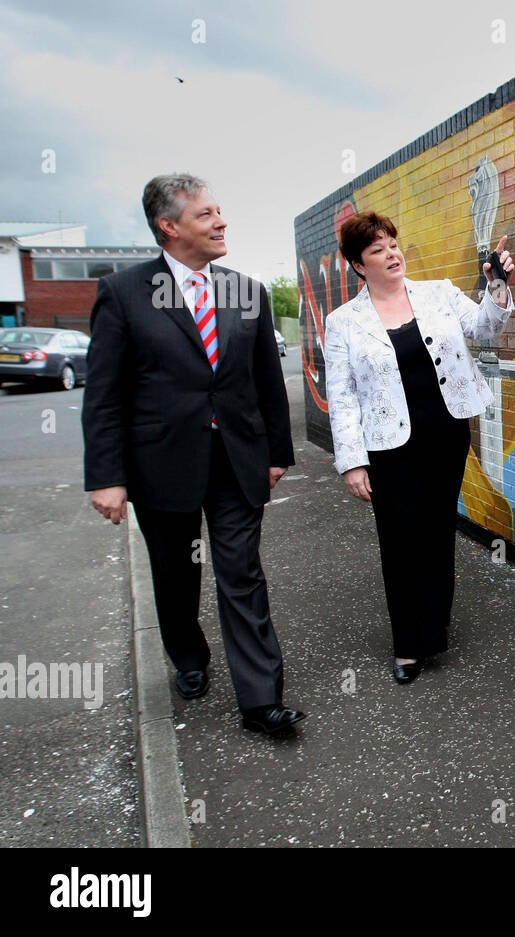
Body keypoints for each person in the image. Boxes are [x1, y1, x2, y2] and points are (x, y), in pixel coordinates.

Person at [82, 173, 305, 736]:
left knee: (241, 572)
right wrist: (106, 476)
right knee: (177, 575)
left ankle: (260, 701)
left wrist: (277, 451)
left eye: (219, 211)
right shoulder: (123, 293)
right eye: (207, 214)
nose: (221, 221)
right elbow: (104, 395)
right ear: (170, 226)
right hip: (161, 468)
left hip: (237, 461)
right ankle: (188, 657)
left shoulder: (246, 292)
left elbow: (266, 384)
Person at [323, 212, 515, 683]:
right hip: (389, 447)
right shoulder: (343, 322)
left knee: (435, 534)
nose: (392, 253)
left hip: (445, 433)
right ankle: (408, 645)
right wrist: (352, 463)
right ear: (358, 265)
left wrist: (496, 287)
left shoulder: (440, 293)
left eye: (393, 242)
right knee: (400, 541)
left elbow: (486, 329)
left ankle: (434, 628)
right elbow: (343, 396)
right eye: (377, 249)